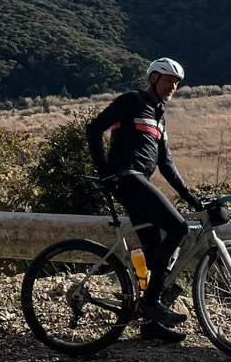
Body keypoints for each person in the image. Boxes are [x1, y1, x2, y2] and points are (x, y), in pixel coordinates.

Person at [86, 57, 203, 344]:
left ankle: (149, 325)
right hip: (127, 177)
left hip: (141, 181)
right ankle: (150, 303)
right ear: (153, 79)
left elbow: (166, 165)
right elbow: (93, 129)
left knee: (153, 255)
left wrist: (193, 199)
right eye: (168, 81)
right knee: (178, 228)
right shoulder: (132, 101)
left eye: (176, 84)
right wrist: (106, 174)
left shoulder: (159, 116)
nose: (172, 87)